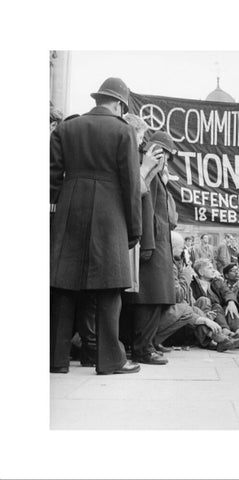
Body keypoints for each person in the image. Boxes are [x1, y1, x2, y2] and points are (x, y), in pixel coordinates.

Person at [50, 77, 141, 374]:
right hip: (109, 214)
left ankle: (56, 359)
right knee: (109, 290)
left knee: (64, 286)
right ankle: (110, 360)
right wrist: (134, 227)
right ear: (119, 104)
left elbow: (51, 179)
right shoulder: (124, 131)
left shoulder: (66, 128)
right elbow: (130, 184)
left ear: (98, 99)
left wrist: (55, 214)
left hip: (69, 210)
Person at [123, 131, 178, 365]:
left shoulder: (156, 177)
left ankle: (146, 345)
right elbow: (145, 211)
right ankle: (143, 349)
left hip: (158, 244)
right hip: (152, 244)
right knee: (150, 299)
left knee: (155, 298)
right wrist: (147, 244)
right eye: (164, 153)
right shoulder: (149, 175)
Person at [154, 232, 239, 352]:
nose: (184, 251)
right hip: (173, 316)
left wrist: (229, 302)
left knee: (203, 307)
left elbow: (225, 292)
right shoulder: (181, 272)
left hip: (210, 313)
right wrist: (204, 319)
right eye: (182, 248)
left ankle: (223, 337)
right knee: (192, 307)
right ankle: (219, 339)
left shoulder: (216, 281)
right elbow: (179, 297)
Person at [190, 259, 239, 340]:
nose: (213, 270)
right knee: (216, 306)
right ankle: (226, 332)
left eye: (213, 268)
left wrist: (231, 302)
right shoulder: (193, 284)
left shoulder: (217, 281)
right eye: (209, 268)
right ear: (201, 272)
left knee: (229, 307)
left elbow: (227, 292)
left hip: (219, 311)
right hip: (205, 312)